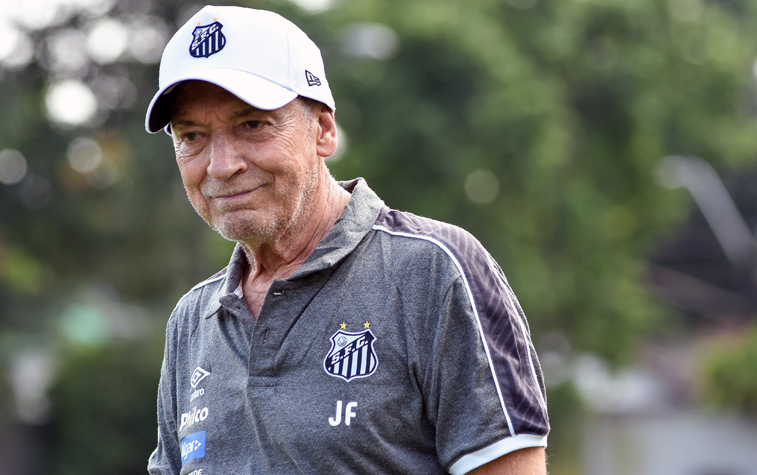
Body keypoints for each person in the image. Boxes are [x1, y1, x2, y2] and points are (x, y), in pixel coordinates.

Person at [144, 5, 549, 474]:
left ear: (324, 129)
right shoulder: (192, 321)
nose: (220, 165)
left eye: (252, 125)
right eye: (192, 135)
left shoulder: (435, 271)